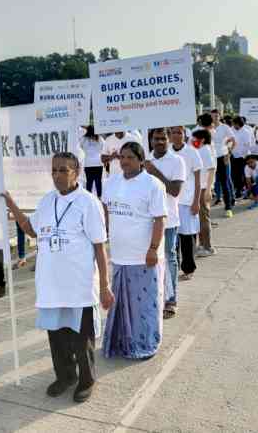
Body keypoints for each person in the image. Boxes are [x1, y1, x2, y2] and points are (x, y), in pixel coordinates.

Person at [3, 152, 112, 403]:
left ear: (77, 172)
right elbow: (31, 229)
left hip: (79, 285)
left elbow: (99, 247)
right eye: (54, 170)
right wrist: (11, 204)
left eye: (63, 170)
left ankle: (86, 380)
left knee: (81, 337)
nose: (57, 175)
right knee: (57, 335)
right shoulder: (46, 201)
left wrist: (105, 285)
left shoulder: (88, 202)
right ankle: (65, 376)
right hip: (51, 284)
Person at [102, 142, 167, 360]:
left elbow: (160, 219)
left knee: (144, 306)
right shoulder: (110, 183)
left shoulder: (153, 184)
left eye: (129, 157)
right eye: (122, 157)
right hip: (119, 255)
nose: (124, 161)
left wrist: (153, 249)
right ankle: (121, 343)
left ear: (141, 160)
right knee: (120, 305)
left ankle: (145, 344)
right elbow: (105, 212)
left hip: (143, 257)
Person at [145, 128, 185, 319]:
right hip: (146, 221)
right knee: (149, 260)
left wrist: (155, 172)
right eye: (156, 138)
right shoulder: (144, 160)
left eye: (163, 138)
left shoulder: (177, 161)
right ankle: (155, 297)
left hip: (168, 220)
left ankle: (171, 299)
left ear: (168, 140)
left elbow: (175, 190)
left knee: (169, 258)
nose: (159, 142)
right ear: (151, 140)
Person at [169, 126, 202, 281]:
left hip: (187, 201)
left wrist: (196, 201)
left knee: (187, 237)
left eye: (179, 133)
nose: (176, 135)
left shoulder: (192, 152)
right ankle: (173, 267)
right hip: (170, 201)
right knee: (172, 237)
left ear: (184, 135)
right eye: (174, 132)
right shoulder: (166, 152)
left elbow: (197, 179)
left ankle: (189, 268)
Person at [193, 129, 216, 257]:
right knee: (199, 219)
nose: (192, 141)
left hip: (203, 188)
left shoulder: (205, 150)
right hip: (199, 187)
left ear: (201, 139)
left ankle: (208, 247)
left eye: (194, 138)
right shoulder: (200, 150)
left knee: (204, 218)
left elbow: (211, 170)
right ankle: (202, 244)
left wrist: (208, 189)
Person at [210, 110, 234, 216]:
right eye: (212, 116)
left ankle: (228, 208)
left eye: (216, 116)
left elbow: (234, 141)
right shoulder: (207, 128)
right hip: (210, 159)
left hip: (222, 157)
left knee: (225, 182)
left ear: (220, 116)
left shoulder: (225, 127)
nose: (214, 118)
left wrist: (228, 154)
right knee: (210, 184)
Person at [230, 116, 252, 199]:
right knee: (234, 174)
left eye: (234, 123)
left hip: (242, 157)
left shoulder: (246, 132)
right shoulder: (231, 130)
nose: (232, 125)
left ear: (238, 124)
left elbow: (248, 145)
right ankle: (237, 189)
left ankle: (241, 190)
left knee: (241, 174)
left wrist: (244, 156)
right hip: (232, 155)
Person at [80, 126, 105, 198]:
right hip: (98, 162)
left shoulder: (84, 139)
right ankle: (99, 197)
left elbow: (80, 146)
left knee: (89, 182)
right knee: (98, 182)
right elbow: (103, 147)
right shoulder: (99, 138)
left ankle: (89, 197)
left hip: (88, 163)